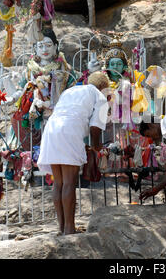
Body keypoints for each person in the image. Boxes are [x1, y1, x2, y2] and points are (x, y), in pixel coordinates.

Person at [37, 71, 110, 235]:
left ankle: (62, 227)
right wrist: (98, 147)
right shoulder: (100, 97)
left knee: (59, 183)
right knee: (69, 183)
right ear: (103, 87)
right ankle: (70, 229)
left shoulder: (70, 91)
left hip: (51, 130)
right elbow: (95, 128)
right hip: (69, 130)